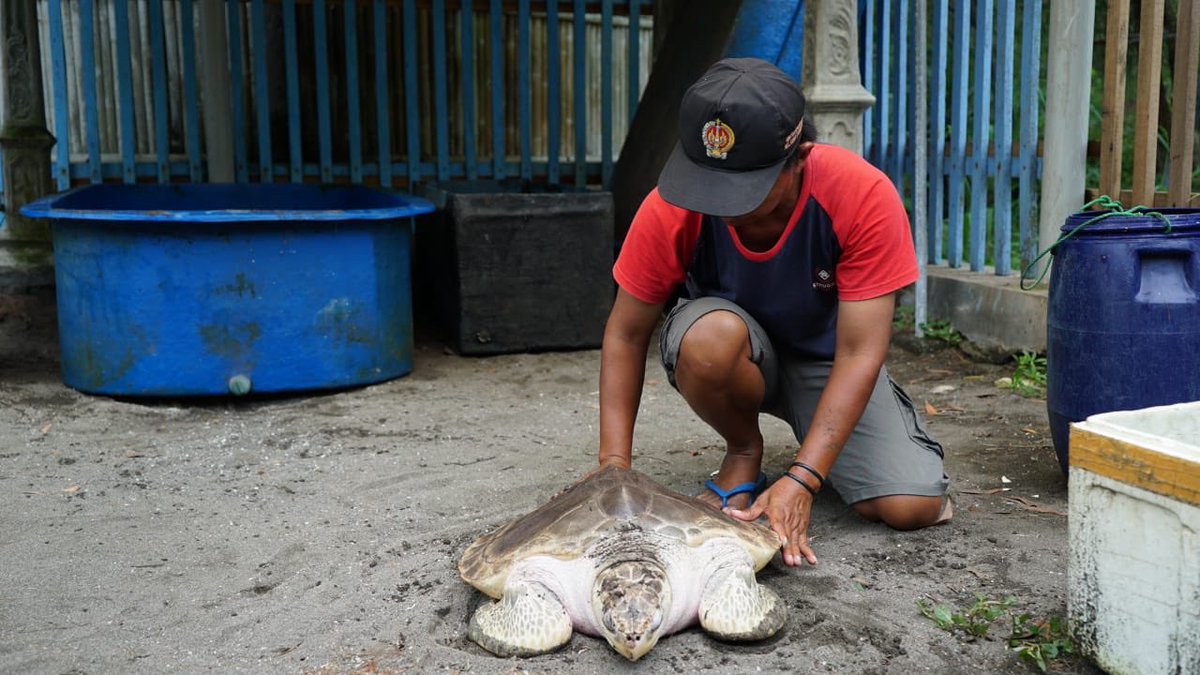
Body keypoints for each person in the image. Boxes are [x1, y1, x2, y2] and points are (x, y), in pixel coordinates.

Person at [597, 57, 951, 568]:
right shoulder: (672, 205)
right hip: (726, 352)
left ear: (800, 157)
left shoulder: (861, 194)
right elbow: (626, 335)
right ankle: (743, 452)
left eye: (744, 189)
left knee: (911, 504)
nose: (722, 205)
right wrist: (614, 470)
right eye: (708, 185)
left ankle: (816, 448)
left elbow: (859, 351)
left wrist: (804, 478)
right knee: (711, 337)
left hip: (826, 363)